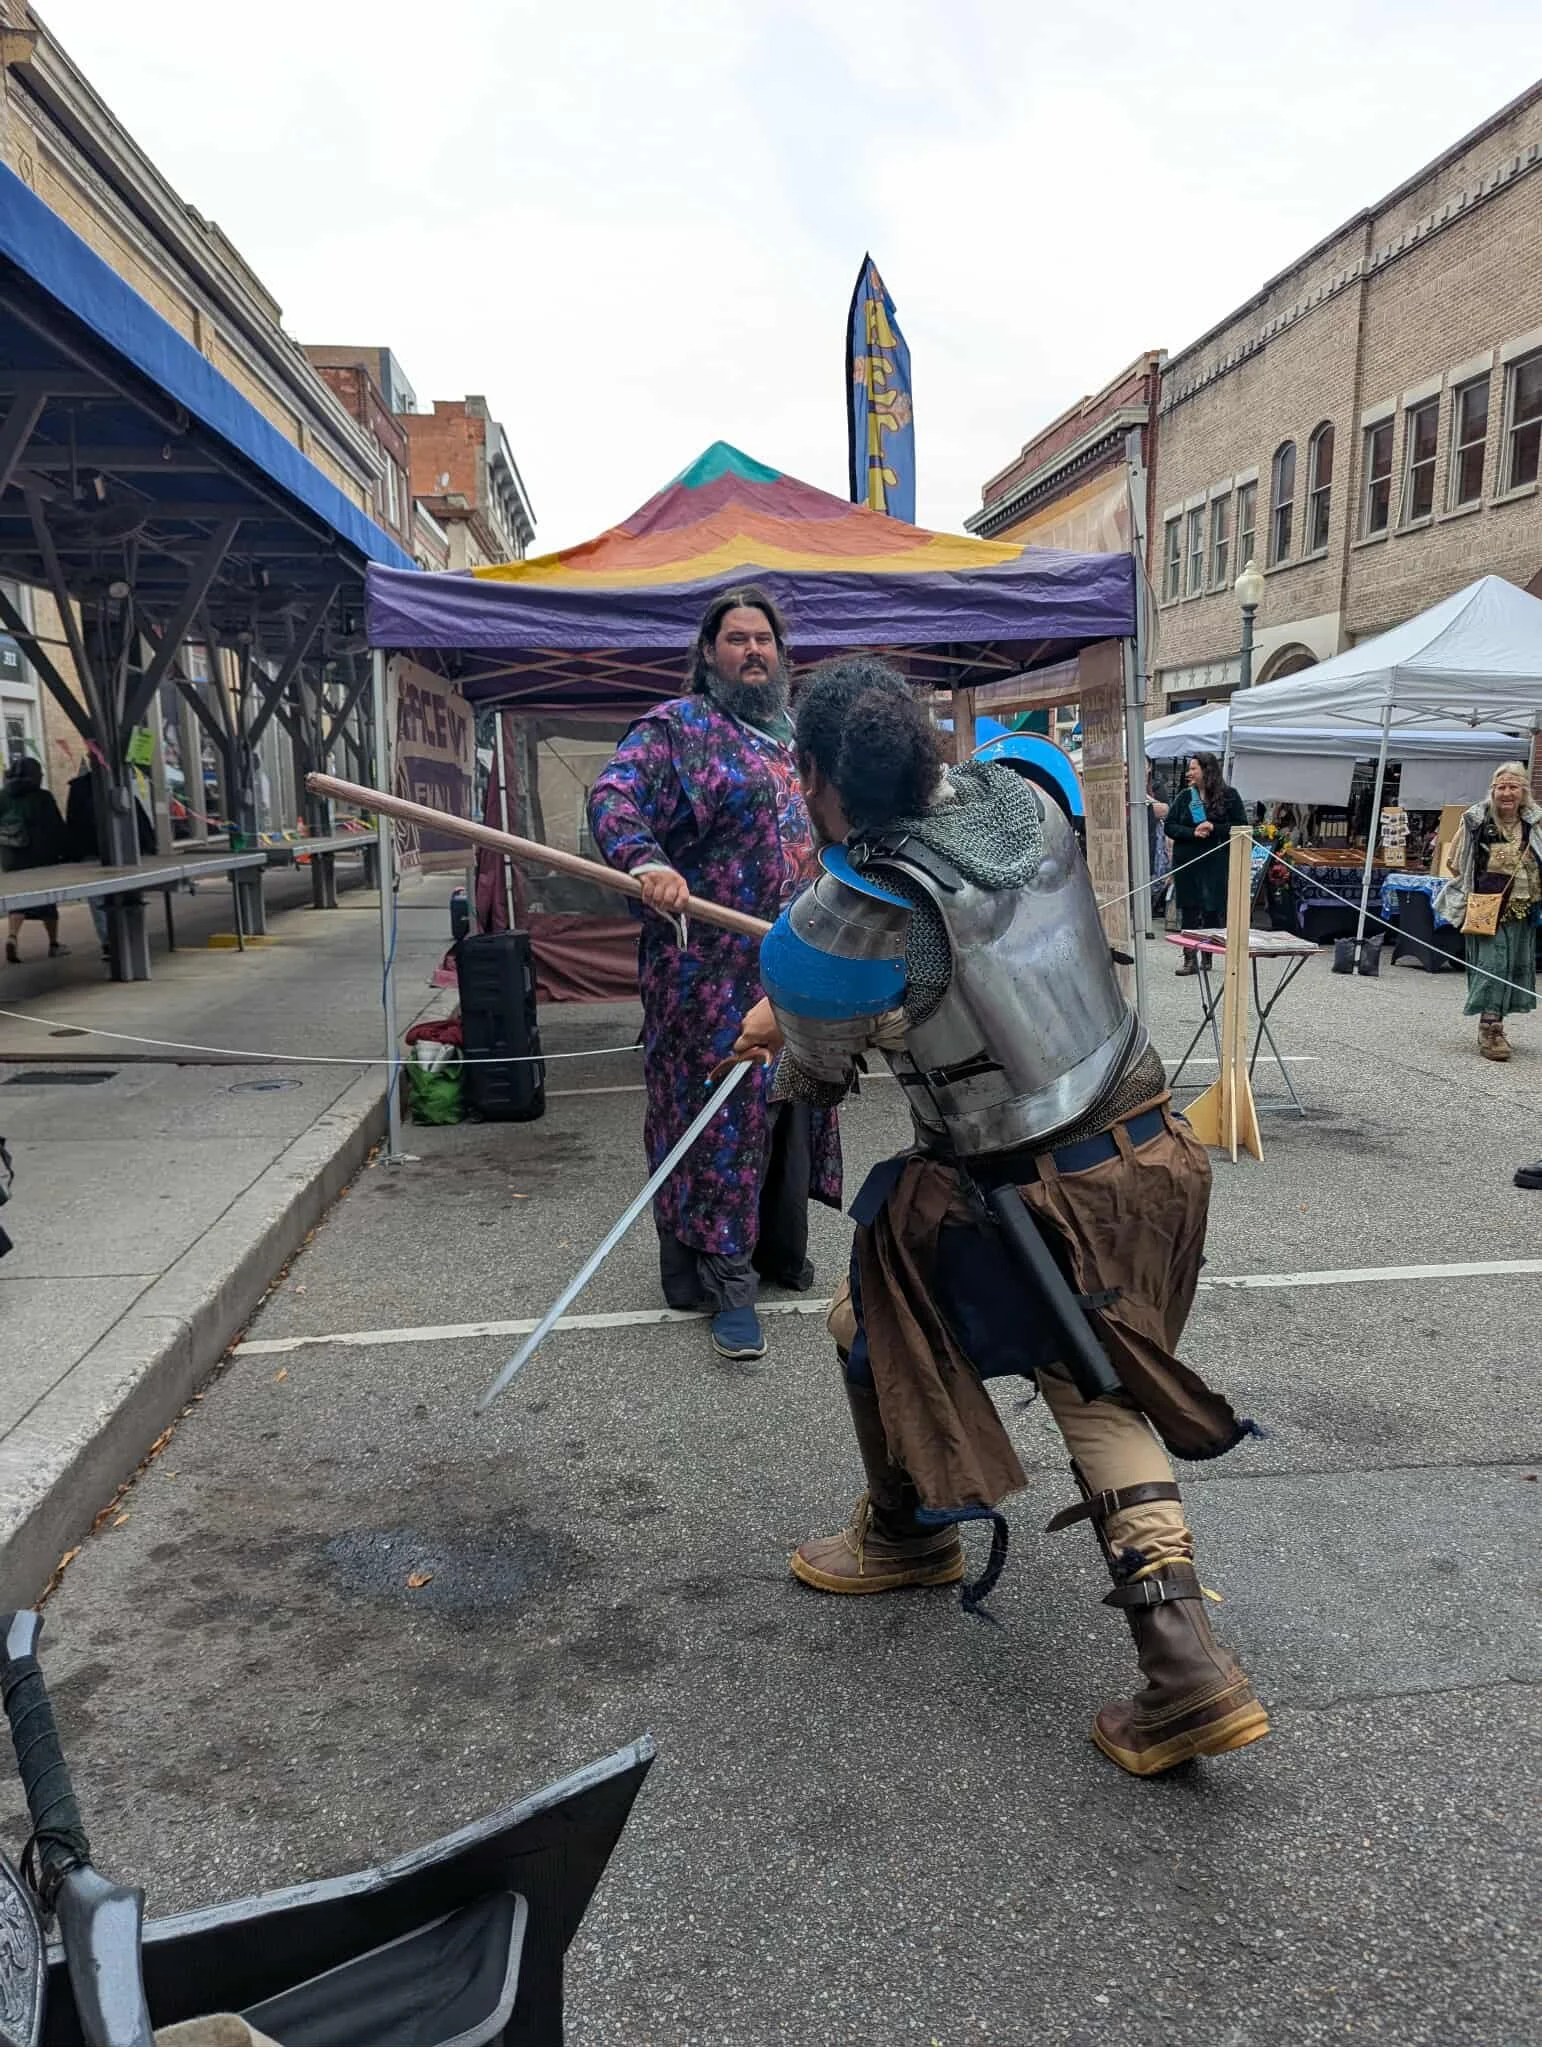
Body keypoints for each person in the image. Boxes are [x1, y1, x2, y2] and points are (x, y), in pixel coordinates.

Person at [729, 657, 1267, 1778]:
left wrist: (784, 1024)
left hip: (1041, 1200)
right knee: (909, 1331)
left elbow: (819, 1081)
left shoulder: (847, 917)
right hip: (1155, 1154)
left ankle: (1177, 1669)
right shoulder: (1024, 794)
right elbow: (967, 974)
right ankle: (917, 1530)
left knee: (1083, 1387)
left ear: (816, 775)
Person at [587, 587, 841, 1362]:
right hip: (706, 981)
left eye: (763, 638)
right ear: (708, 653)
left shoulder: (793, 734)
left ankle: (777, 1254)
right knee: (723, 1131)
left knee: (794, 1110)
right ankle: (726, 1287)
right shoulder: (677, 731)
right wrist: (648, 859)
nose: (753, 651)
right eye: (736, 639)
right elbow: (612, 798)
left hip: (792, 966)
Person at [1435, 761, 1542, 1064]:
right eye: (1501, 787)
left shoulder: (1535, 822)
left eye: (1514, 787)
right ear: (1493, 791)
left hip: (1523, 907)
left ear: (1524, 792)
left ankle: (1498, 1023)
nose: (1507, 793)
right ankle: (1489, 1029)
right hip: (1487, 909)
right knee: (1492, 966)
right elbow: (1455, 861)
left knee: (1511, 967)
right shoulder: (1476, 820)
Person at [1164, 752, 1247, 974]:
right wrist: (1192, 833)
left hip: (1215, 862)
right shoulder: (1184, 797)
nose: (1188, 773)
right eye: (1189, 769)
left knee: (1212, 909)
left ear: (1207, 770)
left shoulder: (1229, 796)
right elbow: (1169, 826)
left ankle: (1208, 956)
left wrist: (1214, 828)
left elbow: (1241, 826)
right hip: (1188, 861)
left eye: (1193, 769)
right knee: (1189, 909)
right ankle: (1189, 959)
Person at [0, 756, 70, 963]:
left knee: (19, 900)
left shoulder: (2, 796)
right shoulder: (42, 797)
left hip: (11, 857)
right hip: (40, 858)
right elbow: (56, 827)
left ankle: (12, 937)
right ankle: (54, 944)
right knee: (47, 900)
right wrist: (65, 851)